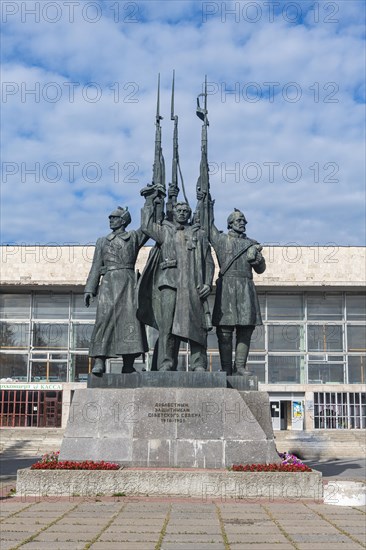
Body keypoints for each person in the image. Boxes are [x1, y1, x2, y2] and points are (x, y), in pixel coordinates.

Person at [138, 192, 214, 371]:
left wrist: (208, 283)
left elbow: (208, 261)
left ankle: (198, 364)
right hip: (169, 285)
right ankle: (166, 363)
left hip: (192, 285)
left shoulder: (199, 234)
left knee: (197, 324)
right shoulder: (165, 230)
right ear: (174, 212)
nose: (182, 213)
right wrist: (149, 200)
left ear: (189, 215)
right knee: (167, 325)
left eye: (185, 211)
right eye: (179, 210)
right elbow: (146, 226)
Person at [84, 206, 148, 374]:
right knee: (103, 320)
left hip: (127, 283)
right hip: (109, 284)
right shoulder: (102, 241)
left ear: (124, 220)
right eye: (110, 218)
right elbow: (96, 266)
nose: (111, 220)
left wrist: (150, 200)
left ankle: (128, 364)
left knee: (130, 322)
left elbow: (147, 225)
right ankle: (99, 361)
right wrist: (90, 289)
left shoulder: (133, 237)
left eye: (114, 217)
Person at [208, 201, 266, 376]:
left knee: (245, 329)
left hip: (246, 287)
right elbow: (207, 225)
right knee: (224, 331)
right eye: (238, 220)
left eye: (244, 220)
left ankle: (240, 366)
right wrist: (207, 204)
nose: (242, 223)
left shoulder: (252, 243)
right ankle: (226, 367)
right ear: (230, 224)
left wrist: (257, 260)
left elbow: (261, 269)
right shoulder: (221, 240)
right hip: (227, 287)